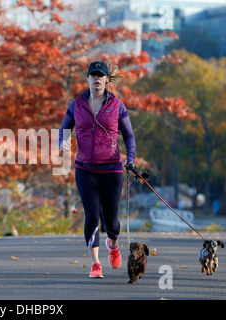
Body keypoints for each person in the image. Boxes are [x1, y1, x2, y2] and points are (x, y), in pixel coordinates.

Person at [58, 60, 136, 278]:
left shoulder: (117, 106)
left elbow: (129, 135)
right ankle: (95, 264)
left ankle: (113, 243)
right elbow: (64, 128)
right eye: (92, 75)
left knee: (111, 220)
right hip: (85, 169)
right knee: (92, 216)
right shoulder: (76, 105)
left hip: (112, 169)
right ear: (88, 79)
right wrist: (62, 141)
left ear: (106, 80)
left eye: (100, 76)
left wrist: (131, 159)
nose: (96, 79)